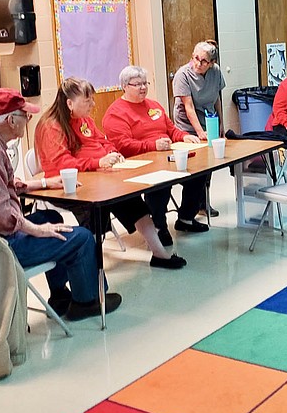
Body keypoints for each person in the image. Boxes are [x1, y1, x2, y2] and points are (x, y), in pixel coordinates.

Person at [0, 88, 121, 321]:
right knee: (82, 237)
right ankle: (85, 302)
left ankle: (59, 296)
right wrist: (35, 230)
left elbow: (2, 185)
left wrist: (44, 183)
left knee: (53, 219)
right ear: (10, 120)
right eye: (24, 116)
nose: (28, 121)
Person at [34, 77, 187, 270]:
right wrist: (98, 162)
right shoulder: (51, 126)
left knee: (131, 200)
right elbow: (61, 164)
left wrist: (111, 152)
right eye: (87, 100)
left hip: (98, 179)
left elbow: (102, 141)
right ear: (69, 103)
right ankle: (92, 273)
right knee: (97, 211)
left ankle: (159, 254)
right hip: (67, 187)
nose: (93, 104)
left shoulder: (84, 119)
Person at [102, 65, 209, 246]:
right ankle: (158, 227)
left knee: (199, 171)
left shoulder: (154, 105)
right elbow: (122, 145)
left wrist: (184, 136)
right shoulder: (115, 113)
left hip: (166, 157)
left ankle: (186, 218)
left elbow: (171, 130)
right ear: (124, 86)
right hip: (138, 165)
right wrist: (152, 145)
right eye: (137, 84)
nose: (143, 88)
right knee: (161, 183)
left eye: (145, 83)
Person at [172, 40, 225, 218]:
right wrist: (199, 132)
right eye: (196, 58)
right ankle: (191, 207)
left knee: (208, 165)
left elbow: (217, 98)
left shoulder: (215, 72)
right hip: (187, 124)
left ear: (211, 63)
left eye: (204, 61)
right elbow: (189, 107)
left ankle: (203, 203)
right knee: (195, 166)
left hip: (208, 119)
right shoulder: (183, 75)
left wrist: (221, 124)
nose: (198, 64)